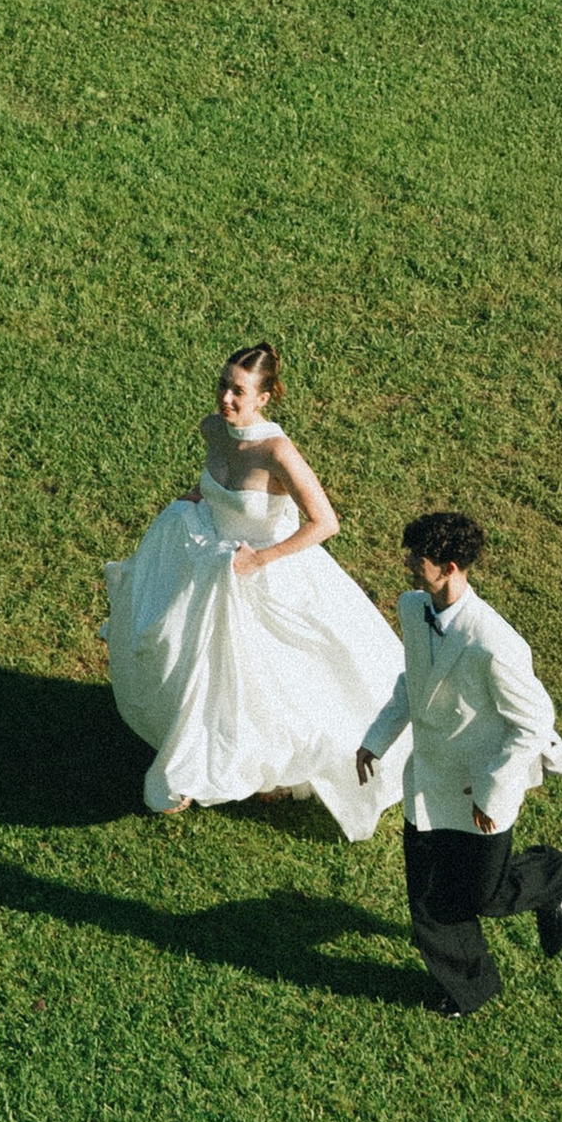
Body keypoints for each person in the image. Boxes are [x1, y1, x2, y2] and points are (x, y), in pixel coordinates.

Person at [103, 342, 406, 839]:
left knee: (271, 678)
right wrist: (190, 503)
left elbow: (325, 523)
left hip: (265, 571)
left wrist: (259, 560)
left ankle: (267, 765)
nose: (225, 398)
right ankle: (200, 742)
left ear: (265, 398)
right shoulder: (212, 429)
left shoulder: (277, 452)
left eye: (238, 391)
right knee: (199, 661)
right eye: (223, 385)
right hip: (211, 562)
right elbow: (214, 484)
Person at [353, 509, 562, 1016]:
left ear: (451, 566)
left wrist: (493, 792)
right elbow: (411, 682)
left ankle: (552, 876)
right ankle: (469, 989)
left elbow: (535, 720)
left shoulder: (493, 642)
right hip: (429, 780)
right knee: (433, 901)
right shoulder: (414, 609)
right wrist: (377, 739)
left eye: (420, 557)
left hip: (479, 791)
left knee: (485, 895)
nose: (409, 564)